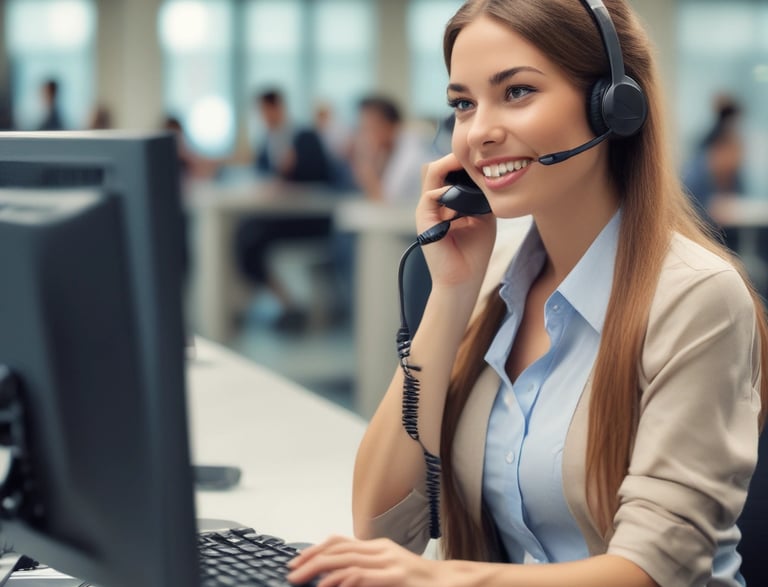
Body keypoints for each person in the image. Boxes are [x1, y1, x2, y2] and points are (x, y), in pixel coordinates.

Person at [286, 1, 768, 586]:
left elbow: (653, 570)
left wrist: (440, 580)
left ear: (613, 106)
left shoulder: (697, 299)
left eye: (516, 92)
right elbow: (383, 529)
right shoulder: (491, 279)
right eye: (463, 104)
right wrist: (452, 295)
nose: (480, 133)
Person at [235, 89, 337, 332]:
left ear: (279, 107)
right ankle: (285, 301)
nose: (264, 116)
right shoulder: (268, 140)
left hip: (308, 219)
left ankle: (290, 304)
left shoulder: (305, 137)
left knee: (252, 237)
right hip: (279, 215)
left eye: (267, 110)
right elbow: (262, 176)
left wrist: (292, 169)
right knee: (244, 235)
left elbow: (320, 176)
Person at [349, 94, 433, 202]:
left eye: (369, 127)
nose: (365, 135)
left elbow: (386, 203)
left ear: (390, 124)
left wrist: (366, 166)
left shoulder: (411, 157)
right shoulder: (391, 148)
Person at [682, 95, 745, 221]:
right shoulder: (695, 175)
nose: (738, 158)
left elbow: (740, 203)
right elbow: (686, 213)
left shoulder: (734, 175)